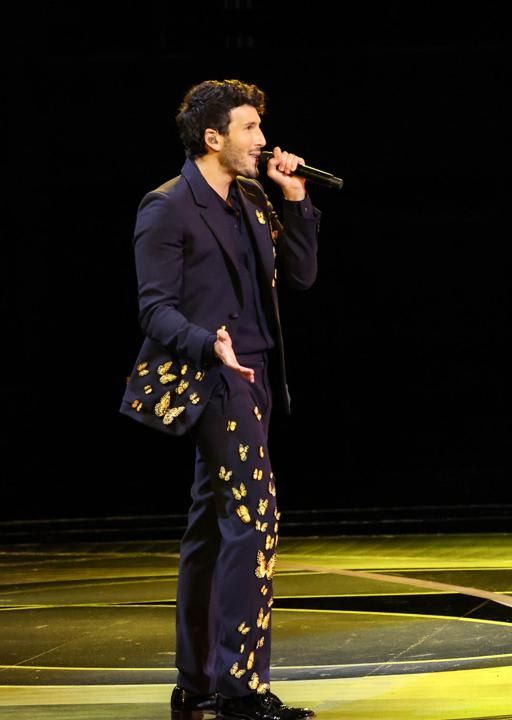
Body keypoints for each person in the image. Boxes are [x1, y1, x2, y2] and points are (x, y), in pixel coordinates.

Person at [118, 79, 319, 719]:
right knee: (254, 519)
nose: (262, 140)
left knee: (213, 521)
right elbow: (155, 310)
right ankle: (241, 687)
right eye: (250, 129)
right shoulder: (167, 206)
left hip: (255, 374)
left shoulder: (254, 198)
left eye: (261, 128)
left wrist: (297, 200)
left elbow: (302, 275)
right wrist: (210, 345)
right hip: (211, 375)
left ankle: (198, 677)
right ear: (214, 138)